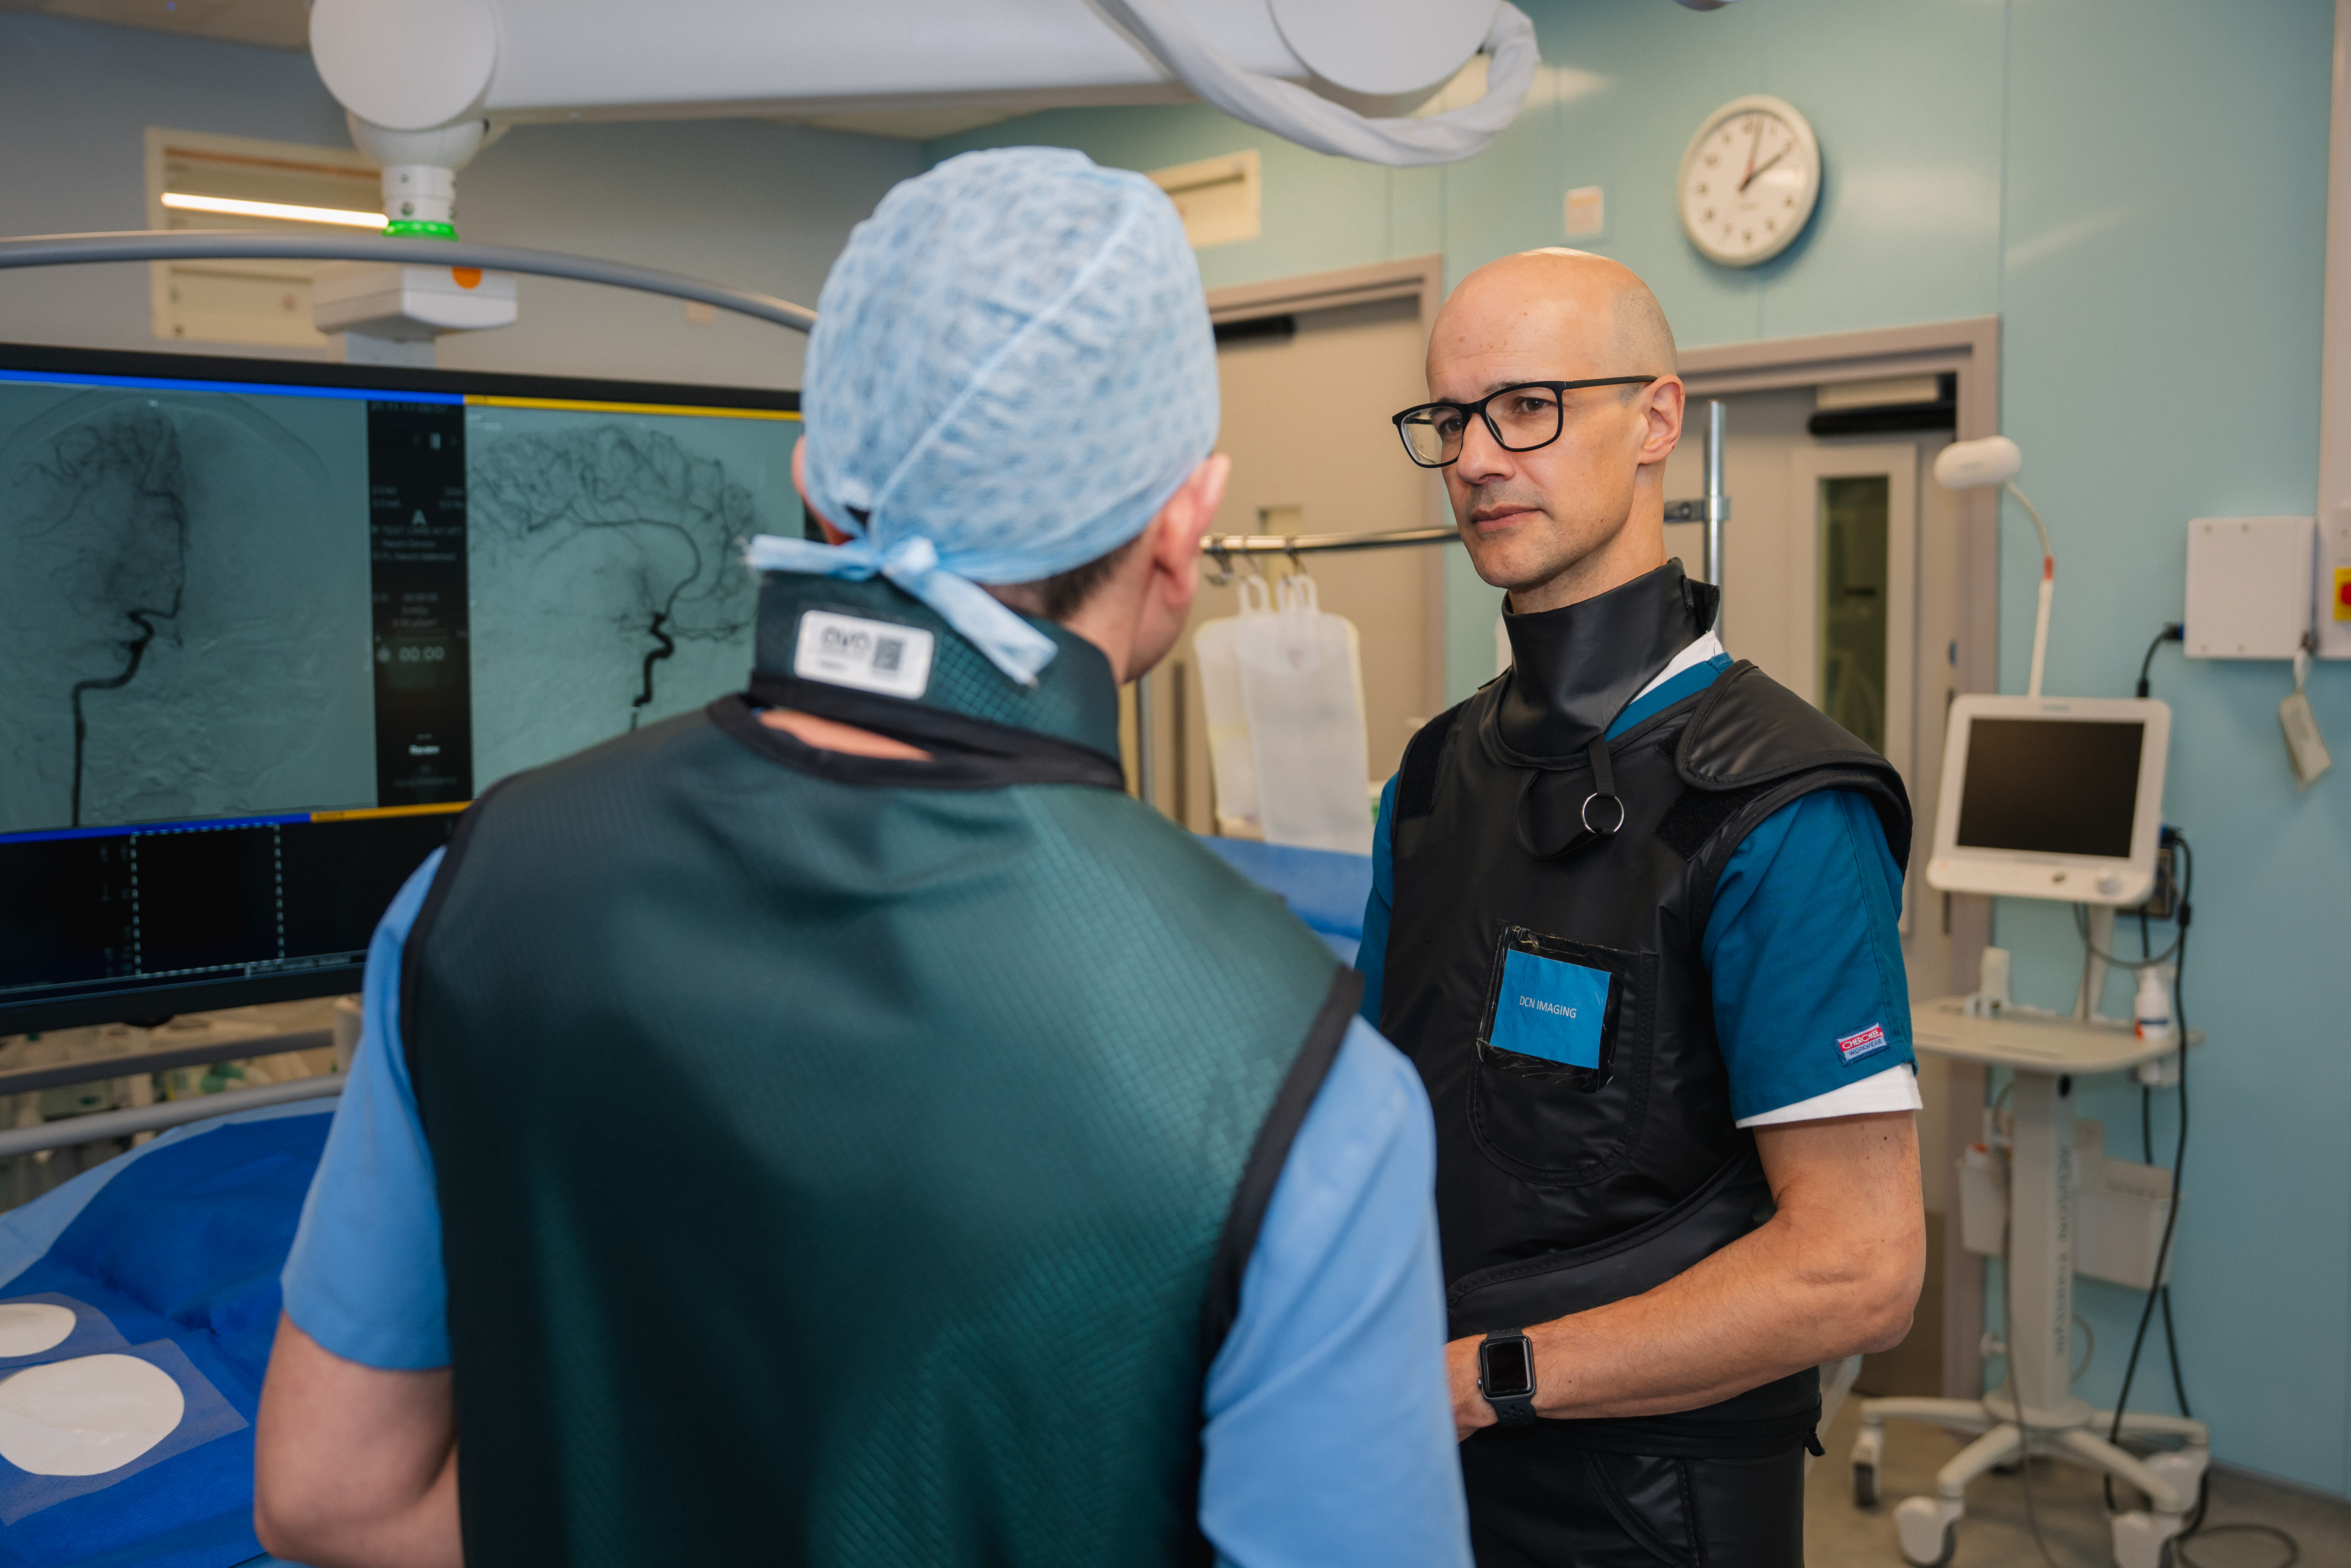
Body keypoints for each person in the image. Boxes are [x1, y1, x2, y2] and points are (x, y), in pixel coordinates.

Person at [252, 148, 1471, 1568]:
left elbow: (332, 1494)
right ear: (1184, 524)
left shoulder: (477, 892)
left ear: (813, 481)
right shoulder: (1297, 1082)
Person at [1357, 248, 1928, 1567]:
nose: (1479, 458)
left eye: (1528, 407)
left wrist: (1495, 1373)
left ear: (1658, 419)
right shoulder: (1437, 780)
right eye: (1451, 419)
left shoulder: (1780, 805)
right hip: (1433, 1478)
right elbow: (1390, 1126)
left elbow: (1861, 1267)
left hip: (1653, 1507)